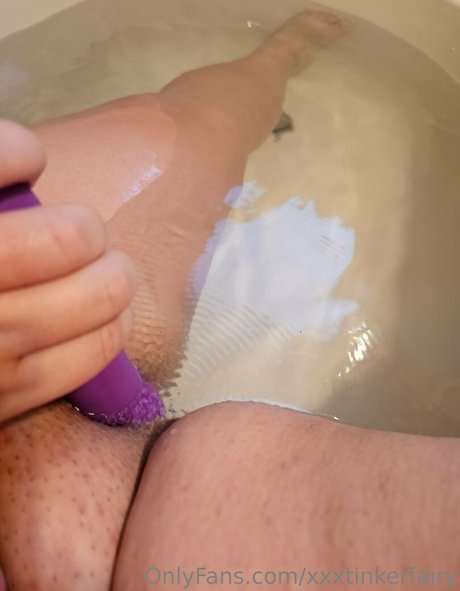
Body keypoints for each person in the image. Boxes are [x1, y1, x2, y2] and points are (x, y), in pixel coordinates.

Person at [0, 9, 459, 591]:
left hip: (79, 427)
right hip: (96, 446)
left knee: (179, 134)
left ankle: (270, 65)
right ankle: (274, 63)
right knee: (189, 129)